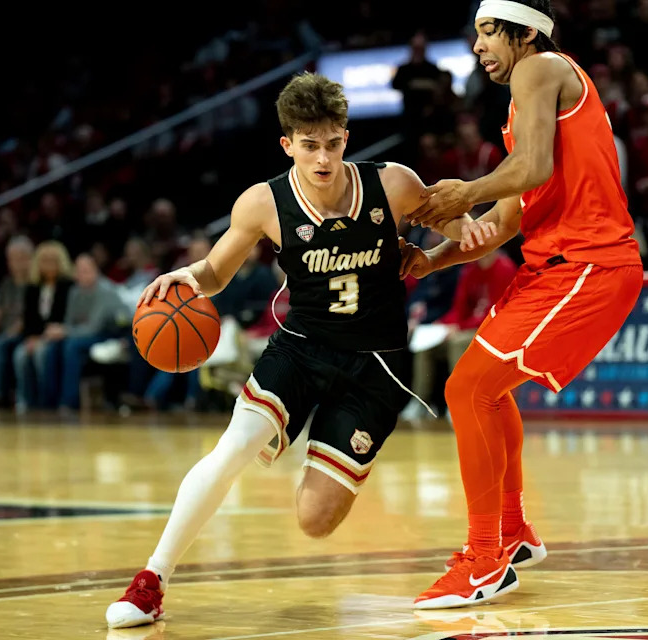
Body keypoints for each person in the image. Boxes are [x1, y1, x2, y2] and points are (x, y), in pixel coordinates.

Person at [105, 72, 494, 629]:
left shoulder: (394, 185)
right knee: (232, 450)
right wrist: (184, 276)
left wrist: (462, 228)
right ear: (288, 144)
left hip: (377, 366)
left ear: (346, 138)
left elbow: (459, 222)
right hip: (302, 348)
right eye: (309, 145)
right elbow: (215, 272)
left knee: (314, 521)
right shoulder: (263, 203)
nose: (323, 158)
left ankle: (322, 446)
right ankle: (152, 580)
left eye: (332, 143)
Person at [403, 0, 643, 609]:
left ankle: (485, 558)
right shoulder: (526, 102)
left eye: (487, 32)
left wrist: (465, 189)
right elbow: (508, 218)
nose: (478, 46)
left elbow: (527, 168)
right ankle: (512, 533)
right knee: (486, 391)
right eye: (476, 34)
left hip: (590, 265)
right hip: (549, 267)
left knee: (468, 390)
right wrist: (432, 259)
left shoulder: (541, 68)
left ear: (525, 32)